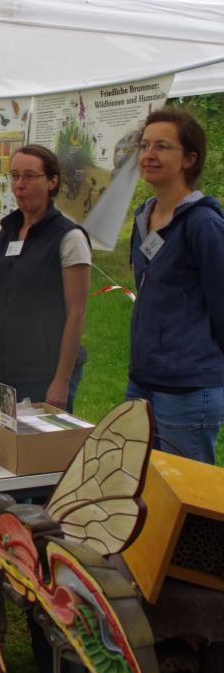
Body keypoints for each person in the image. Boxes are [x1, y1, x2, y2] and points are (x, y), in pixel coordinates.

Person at [0, 144, 91, 410]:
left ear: (52, 182)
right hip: (2, 367)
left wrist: (61, 380)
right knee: (0, 448)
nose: (19, 184)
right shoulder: (8, 232)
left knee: (39, 449)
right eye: (14, 176)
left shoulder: (69, 238)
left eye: (29, 176)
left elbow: (77, 314)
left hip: (43, 371)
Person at [126, 108, 224, 463]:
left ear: (190, 159)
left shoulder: (204, 224)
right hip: (143, 379)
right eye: (145, 145)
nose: (149, 155)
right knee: (141, 488)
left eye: (163, 147)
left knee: (188, 498)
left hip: (187, 386)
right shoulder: (144, 216)